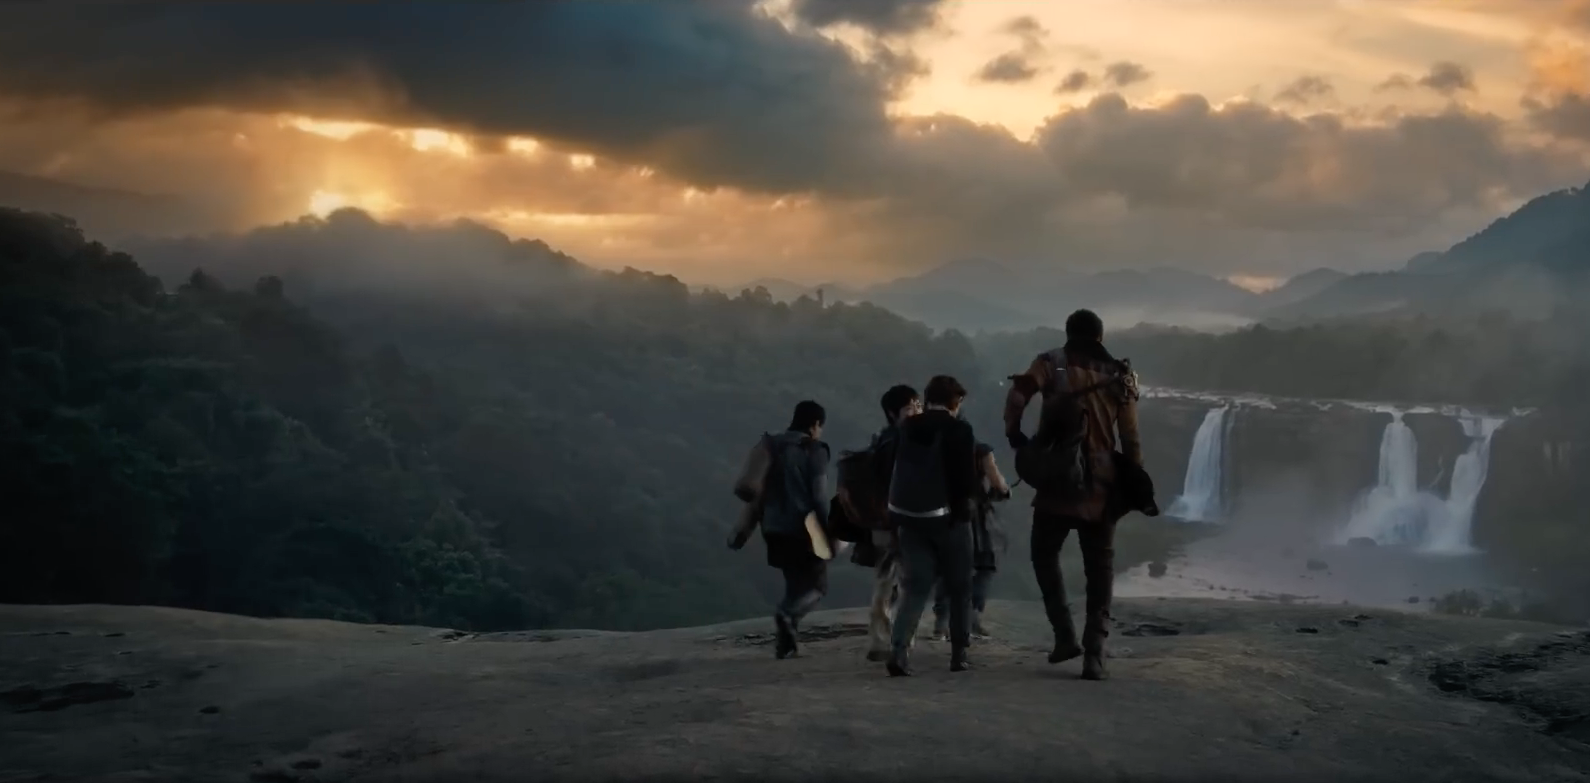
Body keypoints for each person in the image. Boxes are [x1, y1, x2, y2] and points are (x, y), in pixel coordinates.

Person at [1004, 309, 1143, 681]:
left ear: (1068, 333)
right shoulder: (1119, 375)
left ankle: (1064, 634)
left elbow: (1018, 396)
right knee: (1100, 568)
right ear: (1100, 336)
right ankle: (1094, 652)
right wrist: (1133, 478)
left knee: (1043, 553)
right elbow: (1129, 436)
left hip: (1056, 479)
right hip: (1100, 483)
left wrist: (1015, 436)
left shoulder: (1050, 363)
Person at [881, 375, 981, 676]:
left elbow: (887, 466)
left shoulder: (906, 427)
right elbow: (966, 481)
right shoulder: (959, 430)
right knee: (960, 586)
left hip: (908, 519)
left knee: (915, 588)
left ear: (927, 399)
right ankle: (959, 654)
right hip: (948, 521)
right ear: (957, 401)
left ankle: (899, 651)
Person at [853, 384, 922, 662]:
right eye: (909, 407)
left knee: (885, 580)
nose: (917, 411)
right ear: (893, 414)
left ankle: (880, 639)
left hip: (882, 520)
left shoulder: (882, 439)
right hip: (900, 519)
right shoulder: (901, 441)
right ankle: (899, 638)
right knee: (907, 581)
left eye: (919, 404)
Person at [760, 400, 832, 660]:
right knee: (818, 586)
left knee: (794, 584)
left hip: (771, 526)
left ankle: (785, 645)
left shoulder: (774, 445)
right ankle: (787, 616)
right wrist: (830, 530)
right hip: (803, 529)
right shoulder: (814, 450)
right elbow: (820, 496)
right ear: (815, 425)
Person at [931, 442, 1011, 639]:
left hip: (942, 512)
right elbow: (997, 482)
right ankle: (972, 618)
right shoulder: (980, 450)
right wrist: (1004, 489)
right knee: (984, 566)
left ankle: (941, 622)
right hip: (975, 514)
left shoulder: (934, 447)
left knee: (946, 567)